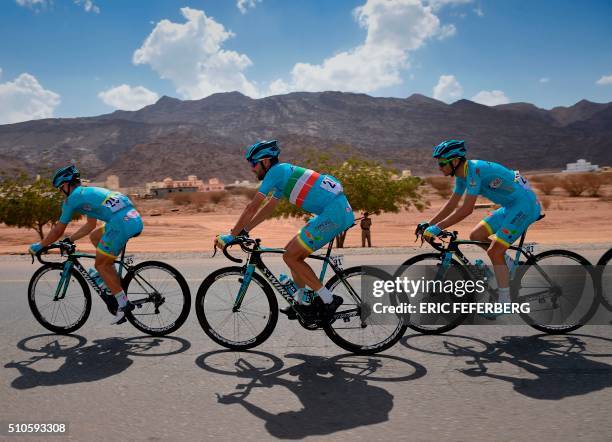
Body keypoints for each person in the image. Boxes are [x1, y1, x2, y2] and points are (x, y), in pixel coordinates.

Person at [215, 140, 354, 321]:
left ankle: (329, 299)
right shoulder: (283, 175)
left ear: (265, 161)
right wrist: (245, 230)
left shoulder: (276, 172)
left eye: (253, 164)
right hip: (334, 211)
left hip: (333, 214)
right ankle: (302, 301)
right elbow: (268, 208)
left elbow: (252, 207)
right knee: (291, 252)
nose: (251, 168)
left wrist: (231, 235)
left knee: (290, 256)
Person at [416, 140, 541, 316]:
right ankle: (509, 263)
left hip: (524, 205)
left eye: (442, 162)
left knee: (494, 251)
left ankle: (505, 301)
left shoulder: (474, 170)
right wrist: (430, 224)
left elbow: (466, 209)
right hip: (509, 206)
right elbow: (452, 204)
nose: (439, 167)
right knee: (476, 234)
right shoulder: (461, 175)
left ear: (454, 161)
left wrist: (438, 228)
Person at [28, 165, 143, 324]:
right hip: (132, 217)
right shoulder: (87, 193)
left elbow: (57, 230)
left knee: (101, 265)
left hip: (120, 223)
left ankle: (123, 305)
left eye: (61, 188)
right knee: (95, 236)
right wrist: (71, 239)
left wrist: (39, 246)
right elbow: (90, 226)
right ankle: (112, 278)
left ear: (67, 185)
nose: (61, 192)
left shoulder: (72, 199)